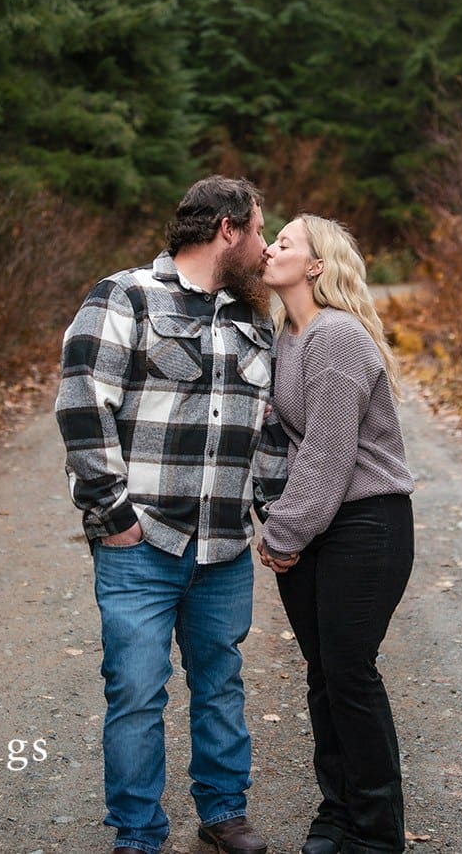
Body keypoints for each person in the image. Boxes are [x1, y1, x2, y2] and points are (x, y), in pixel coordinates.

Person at [56, 175, 275, 854]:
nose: (266, 246)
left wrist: (276, 517)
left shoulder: (253, 317)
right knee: (137, 692)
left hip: (225, 548)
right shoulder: (125, 295)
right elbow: (82, 404)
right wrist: (113, 513)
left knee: (220, 682)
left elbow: (265, 432)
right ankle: (139, 833)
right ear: (229, 229)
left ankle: (223, 810)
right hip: (140, 543)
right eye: (261, 230)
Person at [254, 215, 416, 854]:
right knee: (324, 673)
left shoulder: (337, 337)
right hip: (320, 523)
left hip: (367, 524)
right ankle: (338, 814)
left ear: (316, 266)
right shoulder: (285, 338)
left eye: (285, 242)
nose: (270, 248)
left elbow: (328, 452)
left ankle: (376, 832)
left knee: (349, 672)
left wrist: (283, 532)